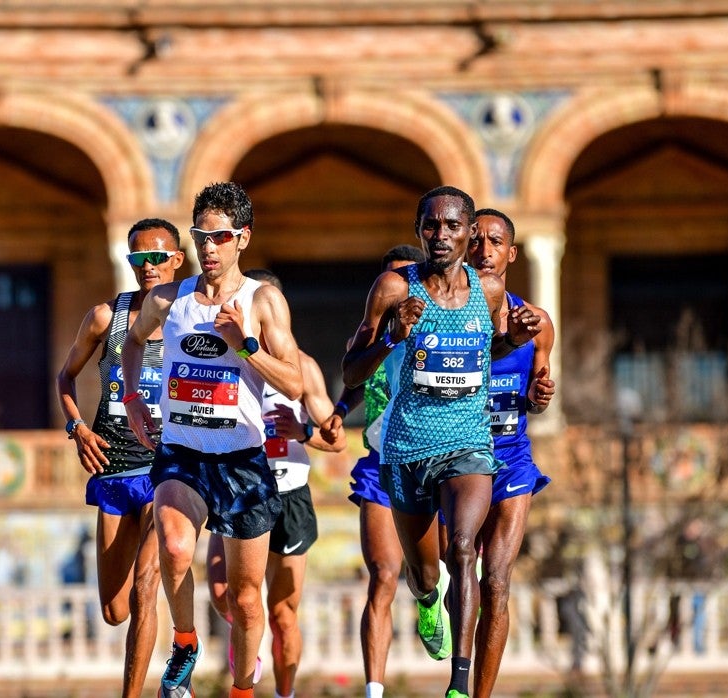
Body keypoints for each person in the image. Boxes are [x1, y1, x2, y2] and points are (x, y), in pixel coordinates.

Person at [341, 186, 539, 698]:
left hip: (468, 441)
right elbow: (352, 371)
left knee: (465, 550)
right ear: (418, 230)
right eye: (431, 226)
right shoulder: (392, 288)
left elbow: (488, 352)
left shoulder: (488, 291)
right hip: (407, 449)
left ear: (469, 232)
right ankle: (429, 601)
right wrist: (391, 337)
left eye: (453, 226)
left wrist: (515, 340)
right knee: (425, 573)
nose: (441, 236)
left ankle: (458, 682)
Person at [121, 182, 304, 698]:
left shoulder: (263, 301)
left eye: (220, 236)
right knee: (175, 548)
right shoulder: (167, 298)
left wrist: (244, 345)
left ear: (242, 238)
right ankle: (184, 641)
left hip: (243, 459)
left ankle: (242, 688)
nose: (208, 246)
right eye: (201, 235)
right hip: (182, 452)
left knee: (246, 601)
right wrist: (134, 398)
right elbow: (133, 342)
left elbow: (292, 382)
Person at [55, 218, 185, 698]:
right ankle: (178, 634)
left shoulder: (190, 319)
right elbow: (64, 378)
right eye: (138, 258)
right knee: (115, 609)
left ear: (177, 259)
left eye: (157, 257)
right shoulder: (106, 318)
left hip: (167, 471)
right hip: (113, 470)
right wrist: (77, 427)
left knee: (145, 587)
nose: (147, 267)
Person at [207, 268, 346, 698]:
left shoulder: (301, 367)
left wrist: (301, 432)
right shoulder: (221, 357)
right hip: (237, 486)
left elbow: (336, 439)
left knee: (283, 613)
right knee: (222, 593)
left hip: (289, 494)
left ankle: (285, 693)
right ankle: (250, 639)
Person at [320, 243, 426, 698]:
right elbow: (358, 381)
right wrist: (340, 409)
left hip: (432, 460)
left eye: (408, 280)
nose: (400, 291)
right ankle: (374, 690)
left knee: (433, 573)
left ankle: (428, 598)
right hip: (380, 463)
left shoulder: (441, 330)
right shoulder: (369, 339)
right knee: (383, 573)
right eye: (392, 282)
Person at [465, 208, 556, 698]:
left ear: (511, 253)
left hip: (511, 458)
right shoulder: (446, 314)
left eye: (495, 242)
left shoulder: (537, 322)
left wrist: (538, 399)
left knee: (496, 581)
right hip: (454, 459)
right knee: (453, 570)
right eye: (475, 240)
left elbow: (535, 396)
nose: (484, 250)